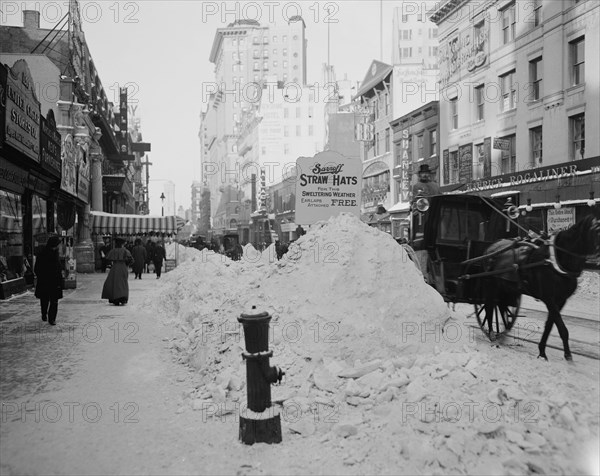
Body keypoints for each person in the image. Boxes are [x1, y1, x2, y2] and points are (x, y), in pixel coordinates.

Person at [34, 236, 63, 325]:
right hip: (46, 281)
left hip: (53, 281)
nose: (58, 246)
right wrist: (43, 276)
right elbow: (37, 268)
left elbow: (58, 268)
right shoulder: (43, 254)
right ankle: (44, 314)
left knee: (53, 301)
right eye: (57, 244)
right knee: (45, 299)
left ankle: (51, 318)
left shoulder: (55, 254)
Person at [101, 237, 134, 305]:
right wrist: (126, 263)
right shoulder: (126, 251)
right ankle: (123, 297)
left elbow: (107, 259)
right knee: (123, 282)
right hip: (123, 267)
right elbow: (131, 260)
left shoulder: (113, 251)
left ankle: (115, 297)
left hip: (115, 267)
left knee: (114, 282)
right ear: (122, 244)